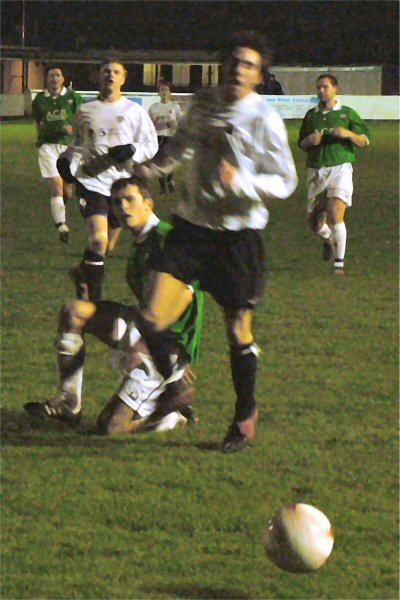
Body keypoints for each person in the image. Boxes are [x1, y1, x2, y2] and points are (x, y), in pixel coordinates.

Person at [134, 31, 298, 453]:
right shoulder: (203, 103)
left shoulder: (264, 119)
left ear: (259, 76)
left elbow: (285, 181)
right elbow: (181, 147)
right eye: (232, 61)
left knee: (237, 329)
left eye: (247, 64)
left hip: (239, 236)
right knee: (151, 317)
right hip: (192, 227)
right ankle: (179, 381)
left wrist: (242, 180)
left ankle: (244, 414)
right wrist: (149, 169)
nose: (237, 69)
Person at [24, 176, 203, 434]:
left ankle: (171, 416)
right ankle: (68, 403)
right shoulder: (141, 243)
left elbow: (185, 295)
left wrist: (164, 351)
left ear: (148, 204)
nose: (122, 207)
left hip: (166, 344)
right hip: (146, 330)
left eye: (129, 199)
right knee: (75, 312)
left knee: (111, 426)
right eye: (116, 202)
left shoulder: (165, 239)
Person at [56, 60, 158, 301]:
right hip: (92, 183)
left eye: (115, 72)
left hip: (121, 187)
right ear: (97, 77)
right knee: (98, 240)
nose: (110, 75)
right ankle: (95, 303)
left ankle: (83, 273)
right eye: (106, 71)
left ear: (123, 78)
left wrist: (132, 151)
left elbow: (151, 145)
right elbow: (79, 146)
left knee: (107, 248)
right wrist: (67, 160)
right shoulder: (86, 111)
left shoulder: (134, 111)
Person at [298, 73, 370, 274]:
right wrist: (309, 142)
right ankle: (329, 238)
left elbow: (365, 140)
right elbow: (301, 143)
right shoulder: (311, 116)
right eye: (319, 87)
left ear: (335, 89)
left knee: (335, 211)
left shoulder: (347, 113)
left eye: (325, 87)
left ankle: (339, 263)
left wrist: (348, 134)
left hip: (340, 168)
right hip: (316, 170)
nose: (321, 91)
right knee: (315, 223)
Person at [32, 65, 84, 243]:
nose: (54, 78)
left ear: (63, 79)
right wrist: (38, 136)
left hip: (68, 148)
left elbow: (83, 119)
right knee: (56, 186)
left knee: (67, 190)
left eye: (58, 75)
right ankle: (62, 226)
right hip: (47, 147)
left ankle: (60, 208)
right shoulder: (39, 99)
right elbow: (38, 121)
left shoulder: (73, 97)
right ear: (47, 79)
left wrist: (73, 129)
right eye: (51, 75)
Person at [148, 81, 182, 195]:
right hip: (158, 137)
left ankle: (170, 179)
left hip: (171, 137)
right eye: (162, 90)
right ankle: (162, 188)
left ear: (170, 92)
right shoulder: (154, 107)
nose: (164, 92)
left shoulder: (175, 106)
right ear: (158, 93)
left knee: (170, 161)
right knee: (159, 163)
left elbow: (180, 124)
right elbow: (148, 125)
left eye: (166, 89)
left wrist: (173, 124)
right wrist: (155, 122)